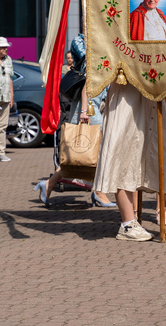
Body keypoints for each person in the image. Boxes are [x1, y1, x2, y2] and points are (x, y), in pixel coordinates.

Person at [93, 80, 166, 241]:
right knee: (124, 155)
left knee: (165, 156)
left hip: (154, 94)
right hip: (127, 94)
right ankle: (128, 222)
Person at [33, 34, 115, 207]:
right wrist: (84, 111)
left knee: (83, 154)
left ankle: (49, 184)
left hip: (90, 107)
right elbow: (88, 83)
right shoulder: (89, 46)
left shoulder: (99, 47)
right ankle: (99, 193)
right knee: (93, 152)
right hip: (88, 109)